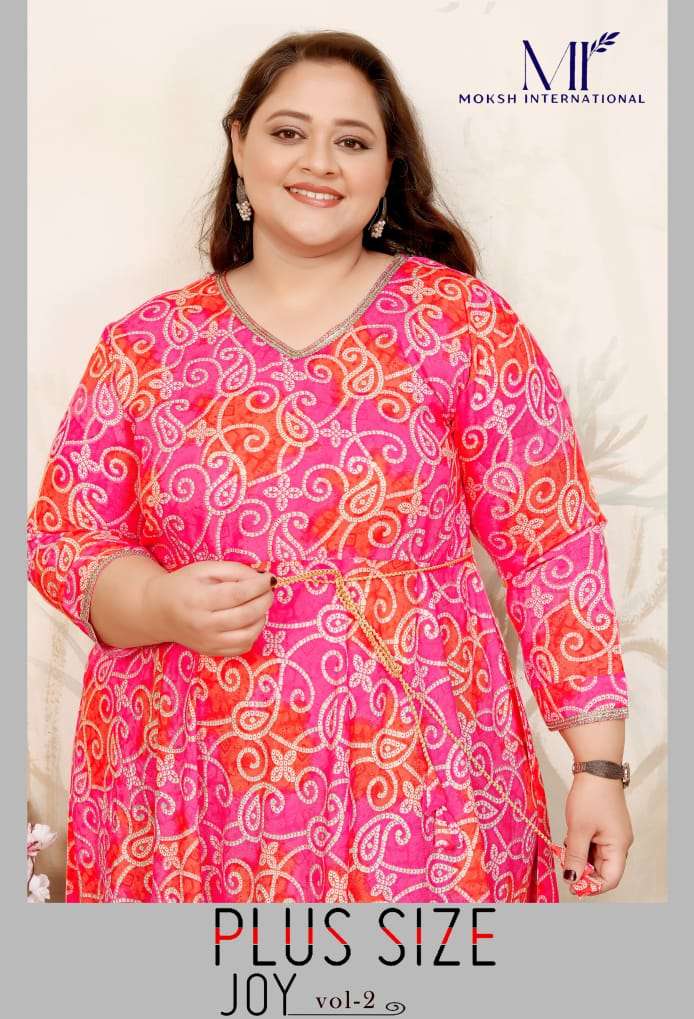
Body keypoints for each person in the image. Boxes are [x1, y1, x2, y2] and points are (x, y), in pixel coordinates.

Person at [26, 30, 634, 903]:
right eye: (288, 132)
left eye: (352, 140)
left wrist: (599, 766)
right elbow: (64, 539)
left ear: (389, 169)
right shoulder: (145, 346)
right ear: (239, 144)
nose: (319, 161)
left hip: (421, 775)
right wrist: (156, 602)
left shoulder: (463, 324)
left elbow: (553, 544)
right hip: (187, 780)